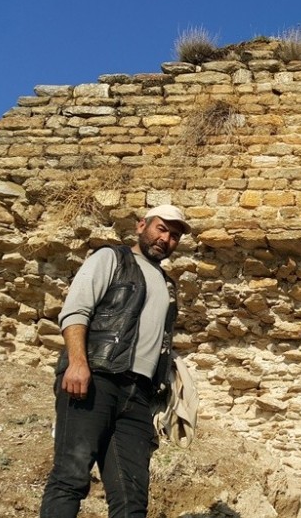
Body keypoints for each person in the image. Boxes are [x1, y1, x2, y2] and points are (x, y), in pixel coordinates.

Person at [40, 205, 192, 518]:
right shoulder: (111, 258)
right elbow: (75, 311)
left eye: (174, 235)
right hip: (95, 379)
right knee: (70, 477)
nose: (166, 239)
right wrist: (78, 363)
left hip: (138, 396)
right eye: (161, 229)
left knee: (132, 498)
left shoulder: (167, 285)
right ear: (141, 226)